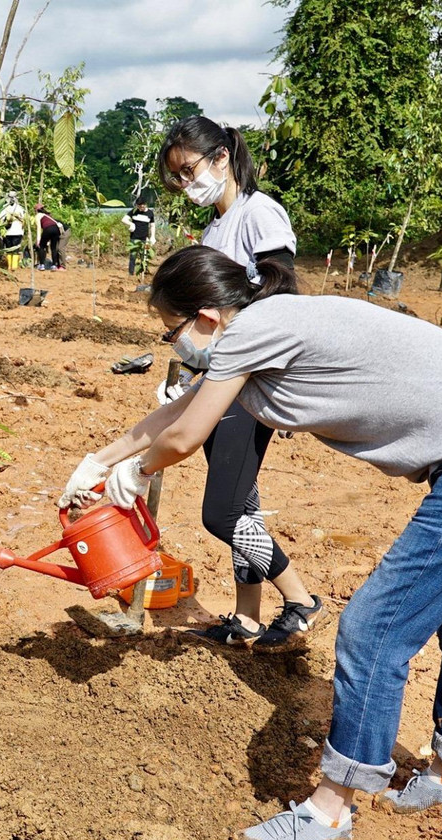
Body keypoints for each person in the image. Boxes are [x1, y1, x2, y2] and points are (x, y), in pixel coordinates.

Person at [61, 245, 442, 840]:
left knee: (375, 629)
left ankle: (330, 810)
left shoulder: (255, 329)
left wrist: (133, 474)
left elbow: (184, 438)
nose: (175, 345)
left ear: (208, 317)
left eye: (173, 331)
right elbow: (177, 411)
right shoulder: (268, 327)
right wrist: (98, 461)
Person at [139, 114, 317, 651]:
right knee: (243, 504)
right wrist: (193, 377)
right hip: (219, 377)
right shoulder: (217, 228)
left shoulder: (258, 213)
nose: (184, 184)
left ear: (221, 157)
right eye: (175, 178)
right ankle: (247, 617)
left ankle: (300, 599)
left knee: (222, 512)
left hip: (246, 380)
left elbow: (282, 292)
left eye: (188, 170)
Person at [121, 198, 155, 275]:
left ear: (145, 205)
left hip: (145, 239)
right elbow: (124, 219)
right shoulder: (134, 211)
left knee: (145, 256)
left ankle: (143, 272)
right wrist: (131, 224)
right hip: (134, 238)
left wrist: (152, 236)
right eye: (138, 207)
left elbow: (152, 225)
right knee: (133, 256)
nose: (140, 208)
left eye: (141, 207)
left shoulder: (150, 213)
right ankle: (131, 273)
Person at [34, 204, 64, 269]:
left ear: (36, 210)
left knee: (41, 246)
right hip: (56, 229)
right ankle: (54, 265)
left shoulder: (37, 216)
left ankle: (41, 265)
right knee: (53, 248)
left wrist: (38, 240)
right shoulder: (48, 215)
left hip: (48, 229)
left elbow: (39, 228)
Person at [0, 192, 27, 266]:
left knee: (8, 249)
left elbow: (0, 220)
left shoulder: (4, 207)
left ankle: (10, 266)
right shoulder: (20, 208)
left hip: (8, 232)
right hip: (18, 232)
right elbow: (24, 220)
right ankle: (14, 267)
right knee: (15, 249)